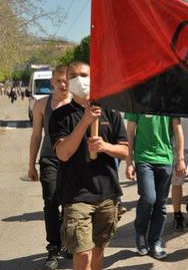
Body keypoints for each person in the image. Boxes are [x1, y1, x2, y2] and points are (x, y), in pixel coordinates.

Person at [49, 61, 128, 270]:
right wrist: (85, 121)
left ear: (93, 78)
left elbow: (125, 151)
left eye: (84, 75)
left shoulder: (110, 111)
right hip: (76, 195)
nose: (79, 80)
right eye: (73, 76)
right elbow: (63, 154)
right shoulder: (60, 116)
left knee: (97, 252)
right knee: (82, 253)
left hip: (106, 193)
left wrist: (106, 147)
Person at [28, 65, 72, 270]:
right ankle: (53, 249)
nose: (63, 84)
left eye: (66, 80)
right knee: (51, 202)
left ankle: (68, 241)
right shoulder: (40, 104)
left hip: (73, 160)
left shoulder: (78, 103)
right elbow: (36, 135)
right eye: (59, 80)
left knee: (70, 202)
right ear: (52, 82)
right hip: (49, 159)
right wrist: (31, 164)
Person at [125, 113, 184, 259]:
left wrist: (180, 159)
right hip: (143, 157)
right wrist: (129, 161)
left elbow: (178, 130)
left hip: (165, 158)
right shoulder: (138, 101)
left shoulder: (170, 102)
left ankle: (155, 242)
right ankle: (140, 233)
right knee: (149, 198)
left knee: (161, 204)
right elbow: (130, 132)